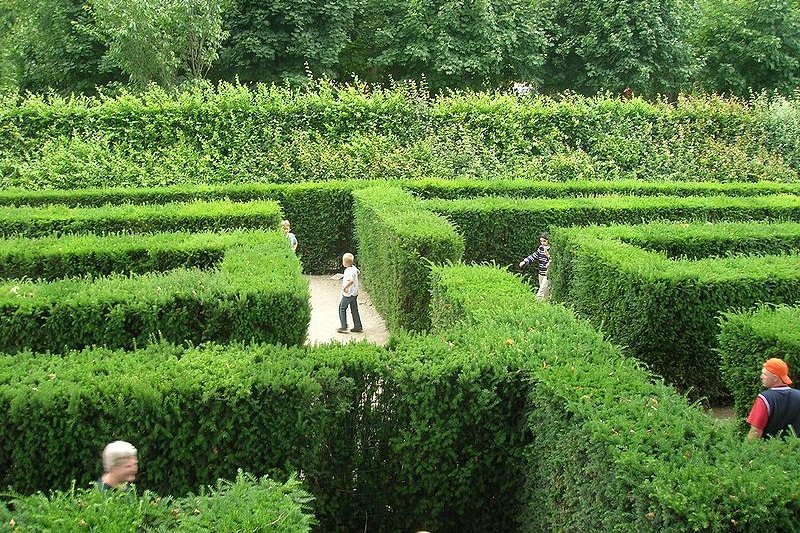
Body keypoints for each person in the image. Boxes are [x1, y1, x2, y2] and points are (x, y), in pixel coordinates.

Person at [746, 358, 800, 440]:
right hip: (795, 449)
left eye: (764, 374)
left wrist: (747, 449)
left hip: (770, 450)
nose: (761, 377)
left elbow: (756, 431)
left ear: (775, 378)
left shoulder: (764, 398)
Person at [519, 232, 551, 301]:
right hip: (541, 273)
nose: (542, 243)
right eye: (541, 241)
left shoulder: (551, 249)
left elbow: (552, 261)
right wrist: (525, 261)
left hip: (547, 274)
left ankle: (536, 304)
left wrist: (548, 255)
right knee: (544, 293)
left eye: (544, 241)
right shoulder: (540, 249)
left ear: (548, 241)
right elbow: (533, 256)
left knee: (541, 291)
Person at [337, 253, 363, 334]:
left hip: (348, 294)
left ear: (345, 263)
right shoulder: (354, 268)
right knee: (354, 309)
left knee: (342, 308)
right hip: (354, 293)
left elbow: (351, 280)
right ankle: (358, 326)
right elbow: (358, 272)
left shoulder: (348, 271)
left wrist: (345, 287)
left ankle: (343, 326)